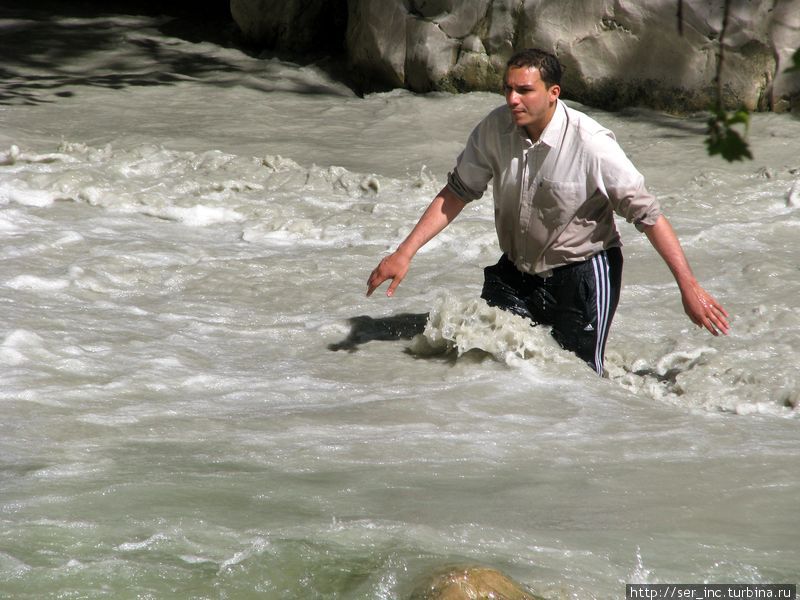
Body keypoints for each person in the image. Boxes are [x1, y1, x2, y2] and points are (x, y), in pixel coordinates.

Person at [366, 48, 729, 375]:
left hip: (582, 275)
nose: (512, 99)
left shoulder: (591, 144)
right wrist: (404, 252)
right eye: (507, 89)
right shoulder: (494, 129)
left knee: (579, 380)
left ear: (553, 93)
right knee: (490, 366)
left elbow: (649, 216)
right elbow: (458, 192)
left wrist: (689, 286)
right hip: (516, 274)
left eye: (524, 90)